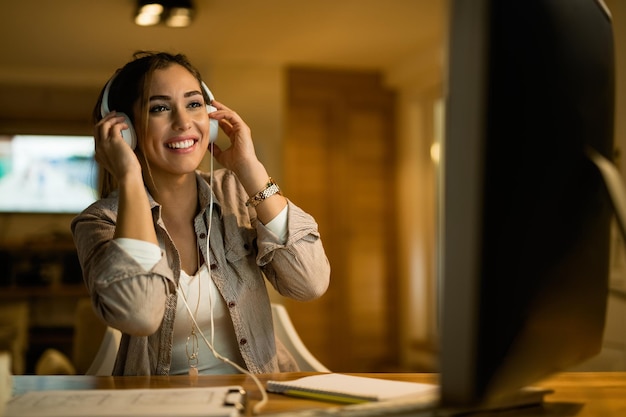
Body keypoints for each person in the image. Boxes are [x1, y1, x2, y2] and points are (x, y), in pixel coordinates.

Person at [71, 51, 330, 376]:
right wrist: (129, 178)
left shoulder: (235, 192)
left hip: (259, 399)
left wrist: (249, 169)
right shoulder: (100, 222)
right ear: (125, 130)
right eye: (160, 108)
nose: (183, 122)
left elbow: (310, 282)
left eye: (193, 104)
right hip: (156, 406)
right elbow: (139, 313)